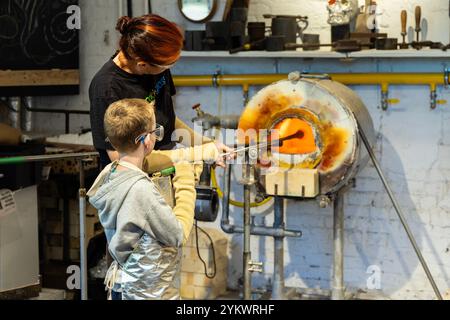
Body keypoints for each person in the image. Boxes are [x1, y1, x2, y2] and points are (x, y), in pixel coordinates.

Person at [89, 14, 232, 171]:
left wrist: (207, 145)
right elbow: (122, 162)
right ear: (142, 64)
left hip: (163, 166)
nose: (168, 69)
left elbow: (168, 119)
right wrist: (197, 153)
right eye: (166, 66)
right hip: (132, 180)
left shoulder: (156, 67)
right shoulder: (106, 89)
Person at [88, 98, 196, 300]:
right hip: (148, 292)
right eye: (155, 132)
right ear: (147, 141)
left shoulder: (109, 173)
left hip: (124, 286)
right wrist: (186, 183)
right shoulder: (140, 190)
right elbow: (177, 235)